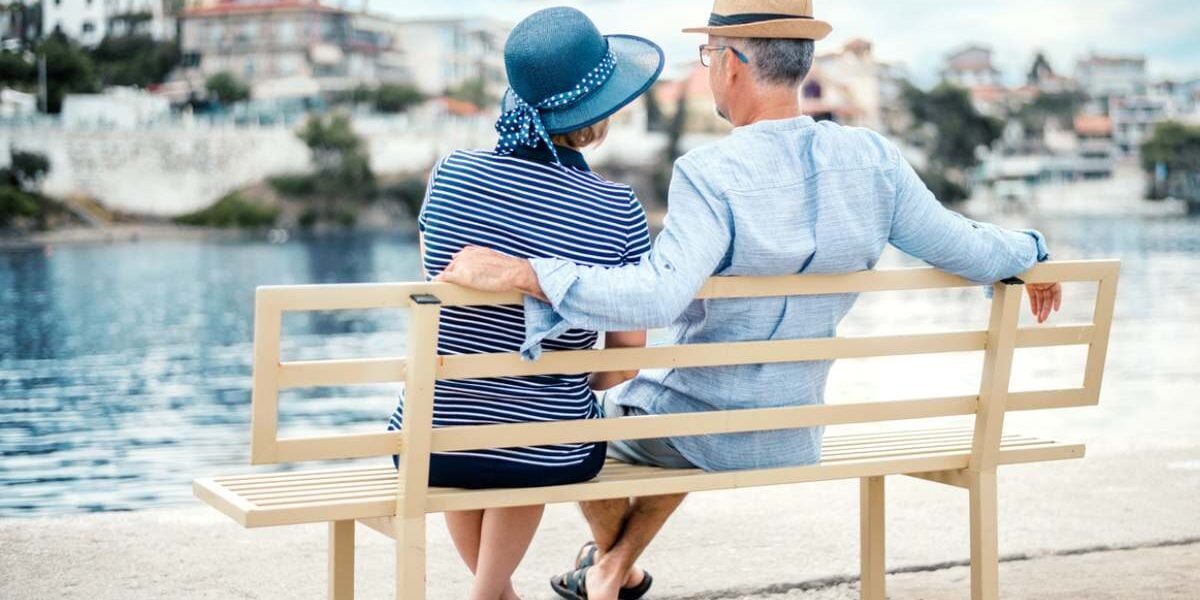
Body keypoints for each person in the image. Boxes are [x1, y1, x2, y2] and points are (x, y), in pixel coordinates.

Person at [436, 2, 1065, 599]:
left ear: (732, 63)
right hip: (796, 428)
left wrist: (529, 275)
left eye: (708, 56)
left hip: (702, 429)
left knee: (595, 415)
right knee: (660, 403)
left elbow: (656, 296)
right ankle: (611, 573)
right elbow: (970, 249)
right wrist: (1032, 252)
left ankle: (611, 568)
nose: (707, 70)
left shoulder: (711, 173)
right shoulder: (873, 159)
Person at [384, 7, 664, 600]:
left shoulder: (451, 173)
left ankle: (496, 594)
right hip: (546, 454)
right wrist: (556, 379)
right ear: (598, 112)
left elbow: (436, 306)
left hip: (429, 443)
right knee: (539, 420)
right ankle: (490, 594)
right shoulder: (618, 210)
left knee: (477, 414)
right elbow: (623, 365)